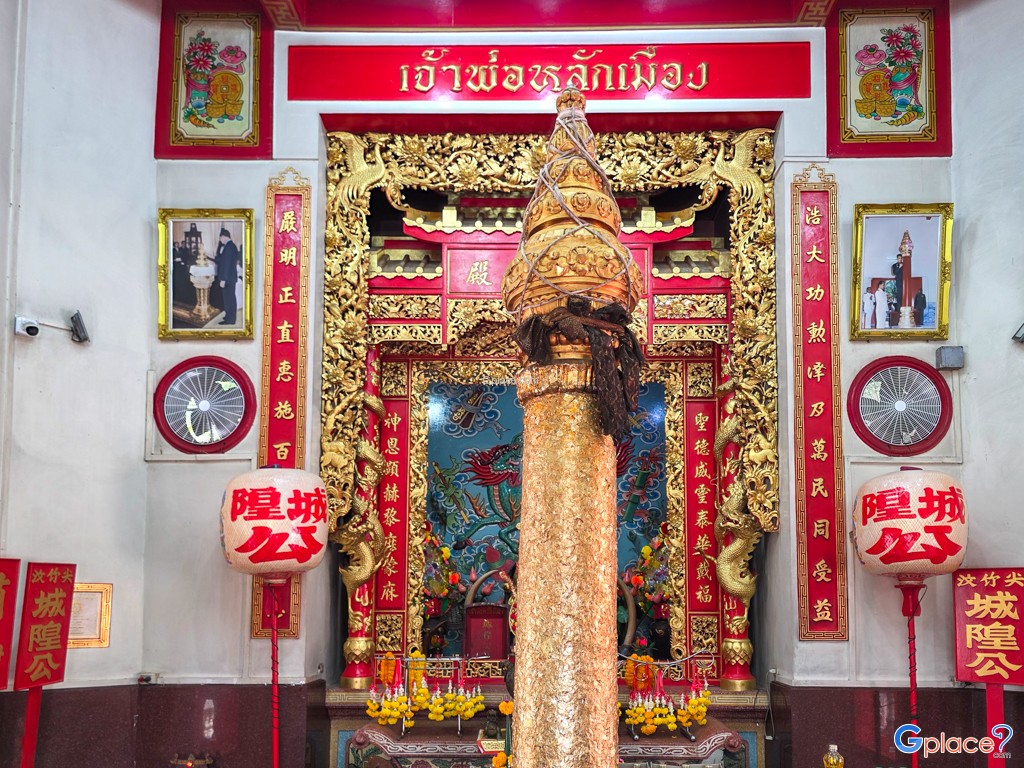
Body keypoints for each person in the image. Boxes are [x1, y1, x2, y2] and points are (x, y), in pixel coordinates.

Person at [215, 227, 239, 325]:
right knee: (230, 298)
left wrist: (223, 279)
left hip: (228, 279)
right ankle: (229, 316)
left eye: (220, 238)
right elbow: (224, 261)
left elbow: (227, 264)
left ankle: (230, 320)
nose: (220, 240)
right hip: (231, 278)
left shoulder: (229, 247)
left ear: (224, 237)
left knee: (229, 299)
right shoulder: (231, 246)